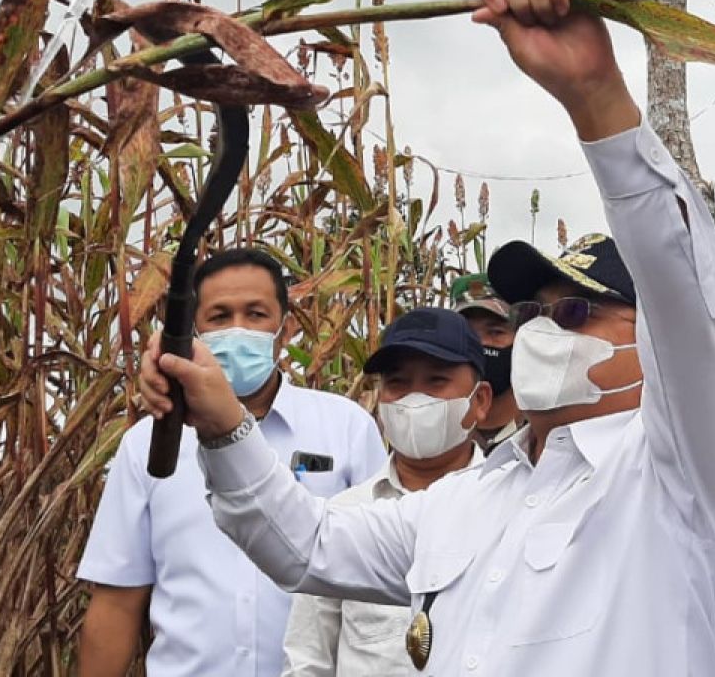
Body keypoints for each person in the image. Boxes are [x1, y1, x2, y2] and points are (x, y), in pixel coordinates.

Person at [139, 0, 715, 676]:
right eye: (535, 311)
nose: (542, 330)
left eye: (579, 311)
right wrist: (222, 424)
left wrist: (596, 98)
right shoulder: (462, 500)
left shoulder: (678, 474)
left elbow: (685, 289)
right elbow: (305, 545)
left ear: (652, 344)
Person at [76, 248, 386, 677]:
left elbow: (377, 583)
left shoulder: (348, 428)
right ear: (194, 331)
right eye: (219, 317)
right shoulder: (147, 445)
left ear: (286, 326)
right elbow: (116, 602)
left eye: (256, 314)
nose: (238, 330)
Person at [281, 307, 490, 676]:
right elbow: (307, 658)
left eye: (436, 381)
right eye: (398, 384)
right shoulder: (346, 517)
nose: (414, 399)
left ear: (481, 401)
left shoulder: (510, 508)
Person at [449, 273, 521, 452]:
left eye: (496, 332)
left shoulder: (542, 436)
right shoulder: (434, 437)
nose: (481, 344)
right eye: (467, 334)